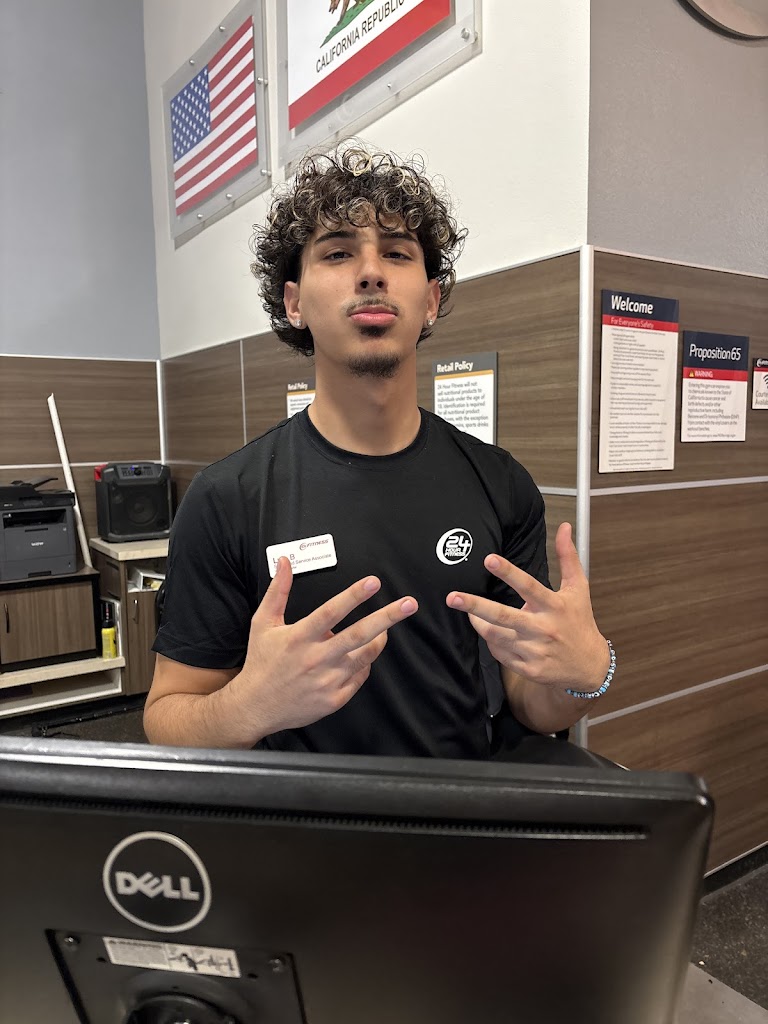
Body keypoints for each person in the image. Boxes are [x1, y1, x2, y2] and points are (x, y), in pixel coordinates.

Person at [144, 145, 613, 758]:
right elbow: (166, 719)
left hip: (460, 809)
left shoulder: (500, 483)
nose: (370, 272)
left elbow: (530, 701)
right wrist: (248, 706)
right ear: (294, 303)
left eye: (396, 253)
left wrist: (585, 675)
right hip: (301, 815)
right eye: (338, 253)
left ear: (431, 300)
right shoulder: (227, 498)